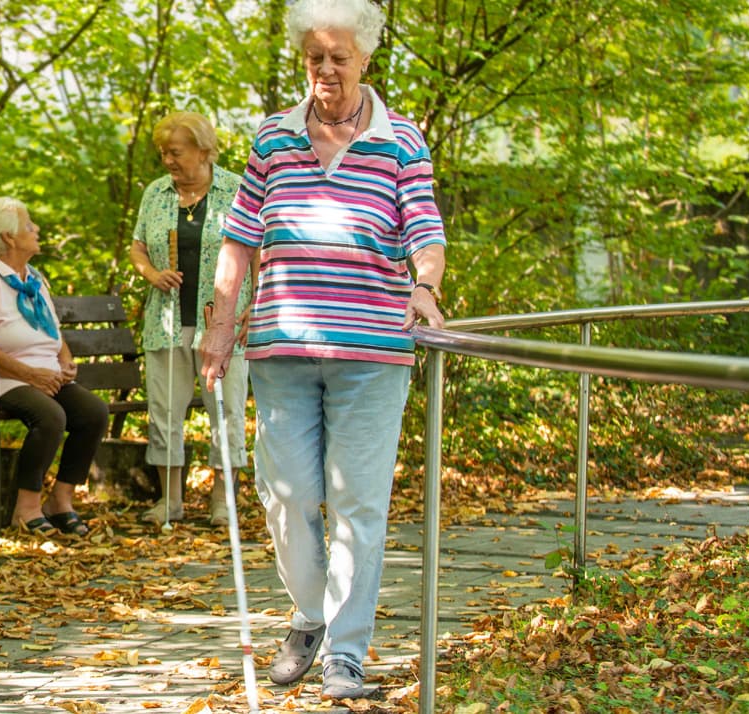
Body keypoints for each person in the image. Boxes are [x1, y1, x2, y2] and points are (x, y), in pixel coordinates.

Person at [196, 0, 448, 700]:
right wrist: (220, 329)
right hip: (281, 346)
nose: (327, 70)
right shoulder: (273, 139)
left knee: (359, 504)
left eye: (340, 57)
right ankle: (310, 612)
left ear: (366, 58)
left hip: (372, 351)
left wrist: (423, 286)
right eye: (315, 58)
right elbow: (239, 242)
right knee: (288, 499)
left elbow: (425, 232)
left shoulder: (403, 141)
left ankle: (345, 653)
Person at [126, 112, 256, 528]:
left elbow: (259, 250)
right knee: (165, 411)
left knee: (227, 409)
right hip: (165, 321)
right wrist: (151, 273)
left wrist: (258, 301)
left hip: (224, 322)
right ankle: (170, 501)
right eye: (163, 152)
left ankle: (223, 503)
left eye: (175, 152)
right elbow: (138, 248)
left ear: (204, 150)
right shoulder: (156, 194)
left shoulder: (237, 190)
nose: (167, 160)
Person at [0, 197, 110, 538]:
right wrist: (30, 374)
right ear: (9, 237)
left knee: (94, 412)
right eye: (28, 225)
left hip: (41, 376)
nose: (36, 229)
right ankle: (25, 508)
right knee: (51, 416)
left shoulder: (33, 280)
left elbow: (53, 331)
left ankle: (60, 501)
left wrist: (64, 359)